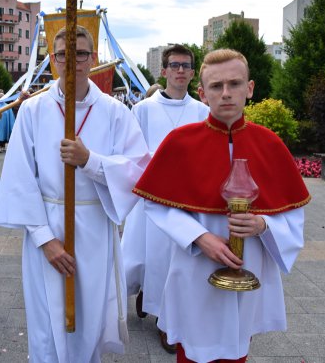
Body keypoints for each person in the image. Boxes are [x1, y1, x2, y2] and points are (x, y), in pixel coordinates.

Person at [133, 48, 311, 362]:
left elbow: (293, 213)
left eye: (235, 84)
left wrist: (263, 224)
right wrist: (200, 238)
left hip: (249, 264)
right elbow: (156, 204)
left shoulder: (270, 144)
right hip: (195, 264)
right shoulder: (179, 142)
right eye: (216, 86)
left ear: (250, 88)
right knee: (191, 348)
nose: (226, 93)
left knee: (237, 346)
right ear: (202, 92)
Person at [0, 25, 151, 362]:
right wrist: (44, 240)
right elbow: (19, 178)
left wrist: (91, 161)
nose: (72, 61)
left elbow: (139, 169)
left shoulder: (114, 112)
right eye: (63, 54)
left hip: (94, 229)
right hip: (46, 228)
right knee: (47, 325)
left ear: (92, 58)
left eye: (80, 53)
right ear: (53, 60)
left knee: (89, 321)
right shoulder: (34, 111)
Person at [121, 44, 209, 353]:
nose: (181, 70)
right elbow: (132, 152)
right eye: (175, 65)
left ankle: (167, 322)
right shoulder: (143, 110)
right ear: (164, 70)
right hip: (152, 195)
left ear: (193, 71)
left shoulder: (202, 111)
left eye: (186, 65)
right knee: (151, 255)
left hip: (187, 198)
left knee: (177, 260)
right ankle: (150, 297)